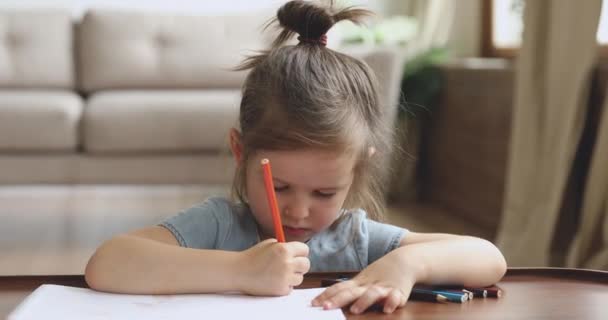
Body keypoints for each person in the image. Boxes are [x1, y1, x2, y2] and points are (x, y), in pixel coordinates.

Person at [85, 0, 507, 314]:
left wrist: (408, 263)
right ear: (240, 153)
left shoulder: (353, 238)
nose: (299, 210)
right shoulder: (219, 225)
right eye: (280, 186)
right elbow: (107, 264)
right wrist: (241, 272)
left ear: (359, 169)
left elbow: (490, 258)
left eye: (325, 191)